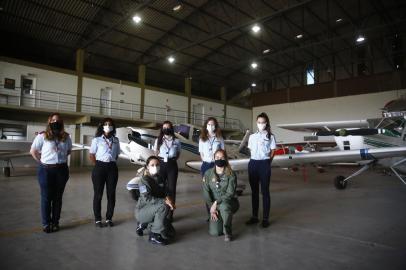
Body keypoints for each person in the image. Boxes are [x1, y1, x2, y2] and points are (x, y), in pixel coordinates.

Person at [30, 113, 72, 233]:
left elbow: (68, 151)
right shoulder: (42, 136)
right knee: (46, 197)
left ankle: (55, 223)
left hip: (61, 170)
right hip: (46, 170)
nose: (55, 122)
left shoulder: (66, 137)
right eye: (53, 120)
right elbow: (33, 151)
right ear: (49, 122)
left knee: (58, 198)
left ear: (61, 123)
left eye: (58, 120)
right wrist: (41, 162)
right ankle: (46, 223)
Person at [135, 156, 176, 245]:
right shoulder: (143, 180)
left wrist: (168, 198)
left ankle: (144, 224)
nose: (155, 167)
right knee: (164, 206)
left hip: (154, 208)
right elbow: (146, 199)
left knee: (171, 233)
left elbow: (165, 192)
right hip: (143, 210)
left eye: (157, 165)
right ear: (147, 167)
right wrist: (164, 201)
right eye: (152, 165)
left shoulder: (159, 178)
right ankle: (154, 235)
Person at [246, 112, 276, 228]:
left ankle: (265, 218)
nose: (260, 124)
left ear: (266, 123)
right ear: (256, 123)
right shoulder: (252, 136)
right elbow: (250, 150)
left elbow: (273, 150)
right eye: (259, 122)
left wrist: (268, 161)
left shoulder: (270, 136)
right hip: (253, 163)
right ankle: (254, 217)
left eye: (263, 122)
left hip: (264, 163)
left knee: (265, 192)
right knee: (254, 192)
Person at [89, 118, 120, 227]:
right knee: (98, 194)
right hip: (99, 167)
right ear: (102, 126)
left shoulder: (116, 140)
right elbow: (92, 154)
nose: (108, 126)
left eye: (110, 124)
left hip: (112, 167)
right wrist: (97, 165)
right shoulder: (96, 140)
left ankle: (109, 218)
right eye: (106, 124)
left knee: (111, 194)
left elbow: (116, 154)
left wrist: (110, 162)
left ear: (113, 127)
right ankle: (98, 219)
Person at [202, 149, 239, 242]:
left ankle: (228, 232)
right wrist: (212, 208)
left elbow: (230, 193)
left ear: (225, 159)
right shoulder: (208, 174)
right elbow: (206, 193)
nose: (219, 159)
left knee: (224, 206)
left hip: (229, 201)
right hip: (214, 206)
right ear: (214, 158)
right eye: (217, 157)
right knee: (215, 232)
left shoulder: (231, 174)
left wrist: (216, 203)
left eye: (222, 157)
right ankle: (222, 219)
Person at [153, 121, 181, 221]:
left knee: (171, 190)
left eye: (168, 127)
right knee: (160, 187)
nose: (166, 129)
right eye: (164, 127)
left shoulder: (176, 141)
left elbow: (178, 154)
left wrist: (170, 160)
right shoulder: (158, 140)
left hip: (172, 165)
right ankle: (160, 211)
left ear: (171, 129)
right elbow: (155, 153)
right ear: (162, 129)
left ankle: (170, 213)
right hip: (161, 164)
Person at [199, 117, 225, 218]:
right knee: (207, 189)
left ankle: (219, 211)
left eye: (213, 124)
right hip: (206, 165)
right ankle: (209, 213)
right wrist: (205, 162)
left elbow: (223, 152)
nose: (211, 126)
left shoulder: (219, 138)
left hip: (217, 165)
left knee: (218, 188)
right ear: (206, 126)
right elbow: (201, 153)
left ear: (216, 126)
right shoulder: (202, 138)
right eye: (209, 124)